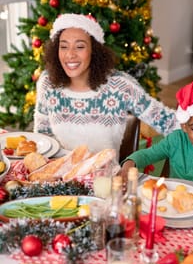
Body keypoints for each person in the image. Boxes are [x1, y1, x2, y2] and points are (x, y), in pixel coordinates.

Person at [33, 13, 178, 161]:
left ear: (94, 51)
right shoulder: (47, 83)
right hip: (58, 178)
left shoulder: (120, 86)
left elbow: (169, 122)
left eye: (80, 46)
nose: (70, 54)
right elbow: (42, 135)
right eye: (63, 46)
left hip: (103, 180)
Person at [121, 80, 193, 195]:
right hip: (173, 207)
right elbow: (147, 155)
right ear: (184, 126)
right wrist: (129, 163)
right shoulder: (176, 140)